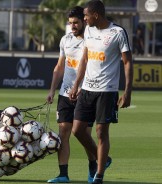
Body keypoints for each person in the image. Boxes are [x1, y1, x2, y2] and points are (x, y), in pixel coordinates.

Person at [69, 1, 133, 184]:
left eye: (86, 16)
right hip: (87, 89)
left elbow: (127, 62)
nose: (84, 19)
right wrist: (76, 85)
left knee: (100, 132)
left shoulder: (118, 33)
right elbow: (85, 58)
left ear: (96, 15)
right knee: (78, 130)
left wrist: (127, 91)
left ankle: (99, 175)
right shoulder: (88, 31)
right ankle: (103, 159)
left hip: (107, 91)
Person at [46, 6, 99, 183]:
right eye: (70, 23)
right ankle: (63, 175)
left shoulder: (92, 40)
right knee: (63, 133)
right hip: (65, 94)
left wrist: (82, 88)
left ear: (84, 21)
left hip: (86, 94)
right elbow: (60, 66)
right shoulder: (65, 40)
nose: (73, 26)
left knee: (84, 134)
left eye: (75, 22)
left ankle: (93, 167)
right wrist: (52, 90)